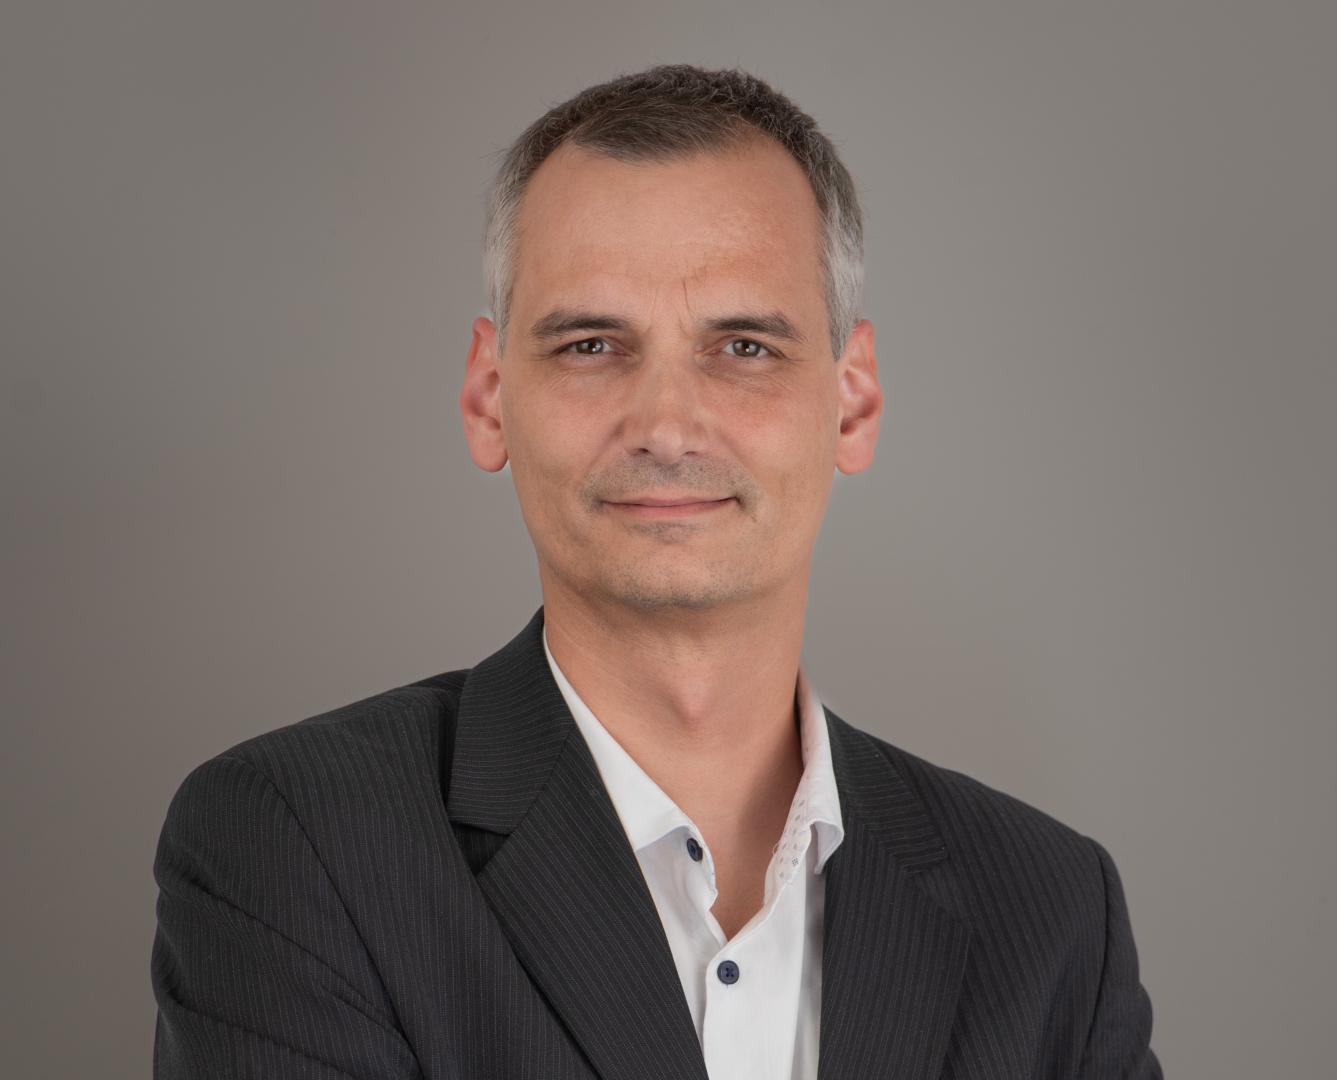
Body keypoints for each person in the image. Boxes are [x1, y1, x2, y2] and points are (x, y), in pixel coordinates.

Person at [150, 65, 1161, 1079]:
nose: (666, 428)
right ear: (488, 397)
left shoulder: (1048, 912)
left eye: (743, 347)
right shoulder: (299, 845)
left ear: (850, 403)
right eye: (591, 345)